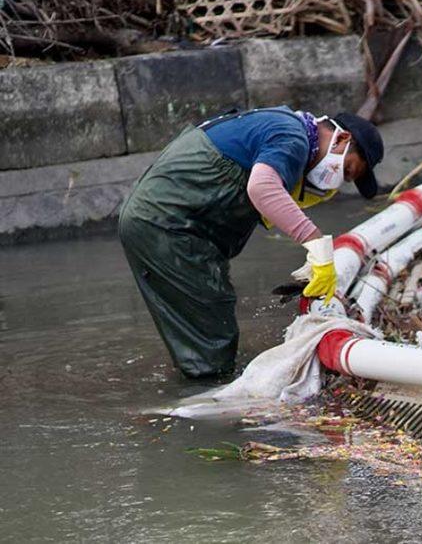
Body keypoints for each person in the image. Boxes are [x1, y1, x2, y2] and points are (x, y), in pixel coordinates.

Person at [118, 106, 383, 378]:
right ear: (341, 139)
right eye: (347, 170)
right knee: (213, 339)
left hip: (167, 224)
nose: (338, 182)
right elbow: (262, 188)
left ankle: (202, 383)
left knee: (203, 325)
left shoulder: (286, 129)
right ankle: (211, 404)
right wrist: (316, 244)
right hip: (166, 226)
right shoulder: (292, 137)